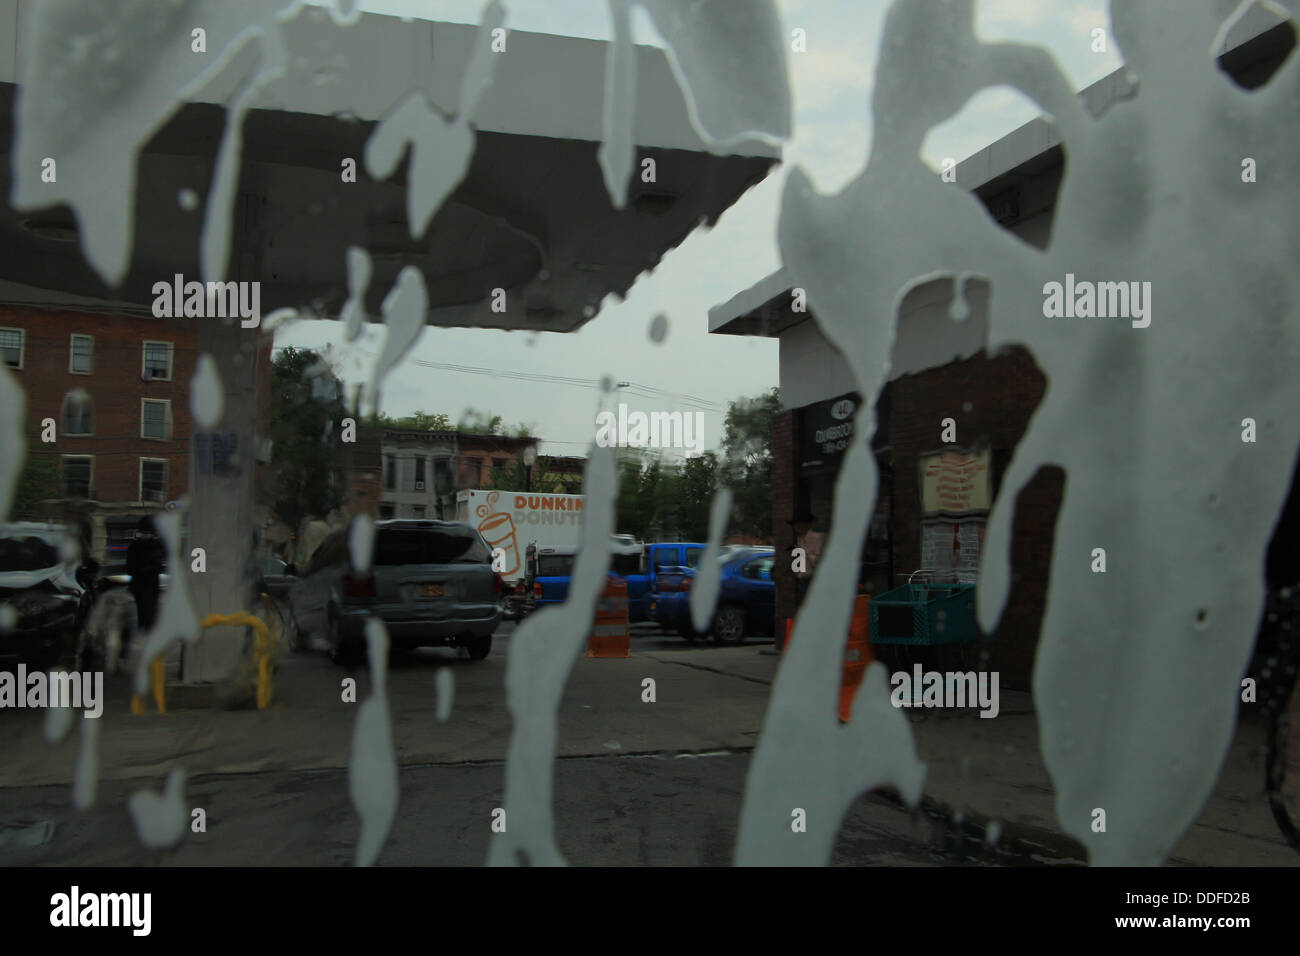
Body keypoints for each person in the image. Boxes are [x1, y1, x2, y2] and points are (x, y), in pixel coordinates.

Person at [126, 515, 165, 633]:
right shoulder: (138, 547)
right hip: (142, 587)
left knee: (148, 616)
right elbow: (131, 569)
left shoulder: (156, 546)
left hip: (149, 587)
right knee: (144, 617)